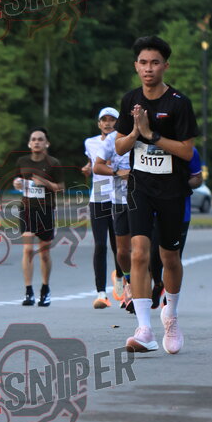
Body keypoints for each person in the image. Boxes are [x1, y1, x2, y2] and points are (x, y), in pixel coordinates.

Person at [115, 35, 198, 354]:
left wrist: (152, 135)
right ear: (135, 66)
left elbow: (187, 151)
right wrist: (136, 132)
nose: (148, 68)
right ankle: (144, 329)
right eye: (143, 63)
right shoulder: (130, 100)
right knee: (138, 253)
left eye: (154, 63)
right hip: (140, 187)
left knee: (169, 258)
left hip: (172, 190)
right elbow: (119, 146)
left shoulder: (179, 103)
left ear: (165, 66)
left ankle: (170, 315)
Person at [13, 128, 64, 307]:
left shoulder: (53, 163)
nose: (36, 142)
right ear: (29, 143)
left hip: (46, 210)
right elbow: (18, 180)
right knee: (28, 250)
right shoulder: (22, 161)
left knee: (44, 252)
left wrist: (45, 183)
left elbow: (61, 187)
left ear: (46, 143)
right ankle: (28, 291)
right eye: (33, 139)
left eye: (40, 139)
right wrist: (17, 183)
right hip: (27, 210)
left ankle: (45, 289)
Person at [150, 147, 203, 308]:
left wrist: (181, 184)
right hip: (153, 211)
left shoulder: (188, 151)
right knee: (153, 256)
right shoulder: (149, 148)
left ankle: (169, 296)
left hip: (180, 212)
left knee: (173, 257)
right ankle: (158, 283)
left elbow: (198, 179)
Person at [82, 108, 124, 309]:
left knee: (119, 245)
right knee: (100, 245)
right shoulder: (90, 142)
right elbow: (92, 162)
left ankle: (121, 280)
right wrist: (87, 168)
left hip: (119, 197)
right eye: (104, 120)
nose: (108, 123)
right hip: (98, 197)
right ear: (99, 123)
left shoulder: (124, 141)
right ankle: (101, 293)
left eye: (112, 120)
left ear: (118, 122)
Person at [93, 129, 134, 312]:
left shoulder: (149, 133)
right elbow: (96, 166)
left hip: (145, 199)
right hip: (117, 200)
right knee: (121, 251)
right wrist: (117, 172)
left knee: (141, 249)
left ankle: (135, 291)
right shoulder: (110, 139)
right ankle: (127, 281)